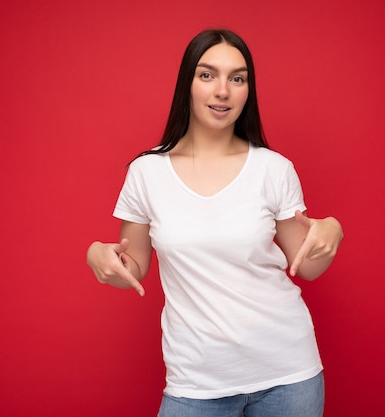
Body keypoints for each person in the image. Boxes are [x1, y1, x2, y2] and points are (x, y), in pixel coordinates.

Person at [87, 28, 343, 417]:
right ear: (187, 84)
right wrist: (98, 255)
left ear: (247, 91)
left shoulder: (274, 169)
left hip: (288, 375)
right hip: (196, 382)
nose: (222, 90)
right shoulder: (146, 172)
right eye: (207, 75)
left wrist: (333, 231)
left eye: (237, 78)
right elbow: (133, 266)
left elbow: (305, 266)